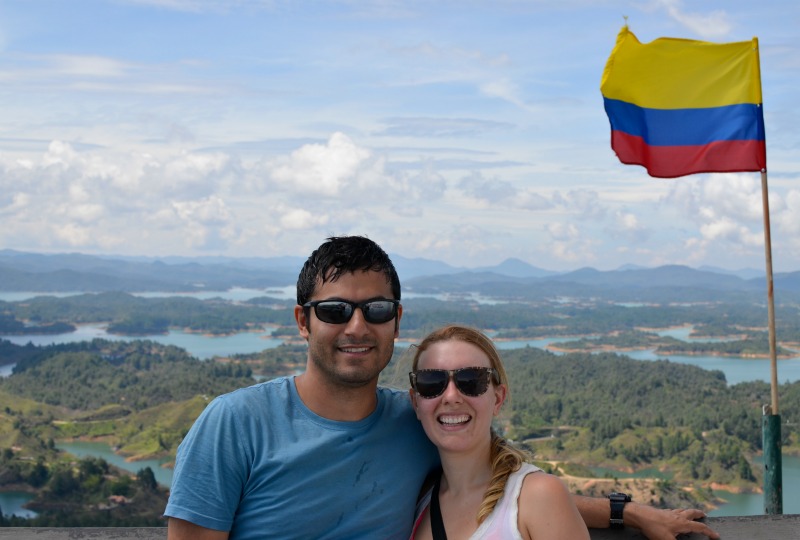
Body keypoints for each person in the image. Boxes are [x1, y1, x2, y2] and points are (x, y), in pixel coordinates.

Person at [165, 235, 720, 540]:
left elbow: (500, 494)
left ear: (397, 320)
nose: (356, 327)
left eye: (375, 310)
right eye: (334, 310)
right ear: (303, 321)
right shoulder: (233, 423)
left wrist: (629, 513)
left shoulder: (416, 421)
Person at [408, 324, 589, 539]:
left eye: (471, 381)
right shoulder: (420, 501)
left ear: (498, 398)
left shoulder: (537, 496)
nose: (451, 396)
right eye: (431, 383)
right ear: (415, 403)